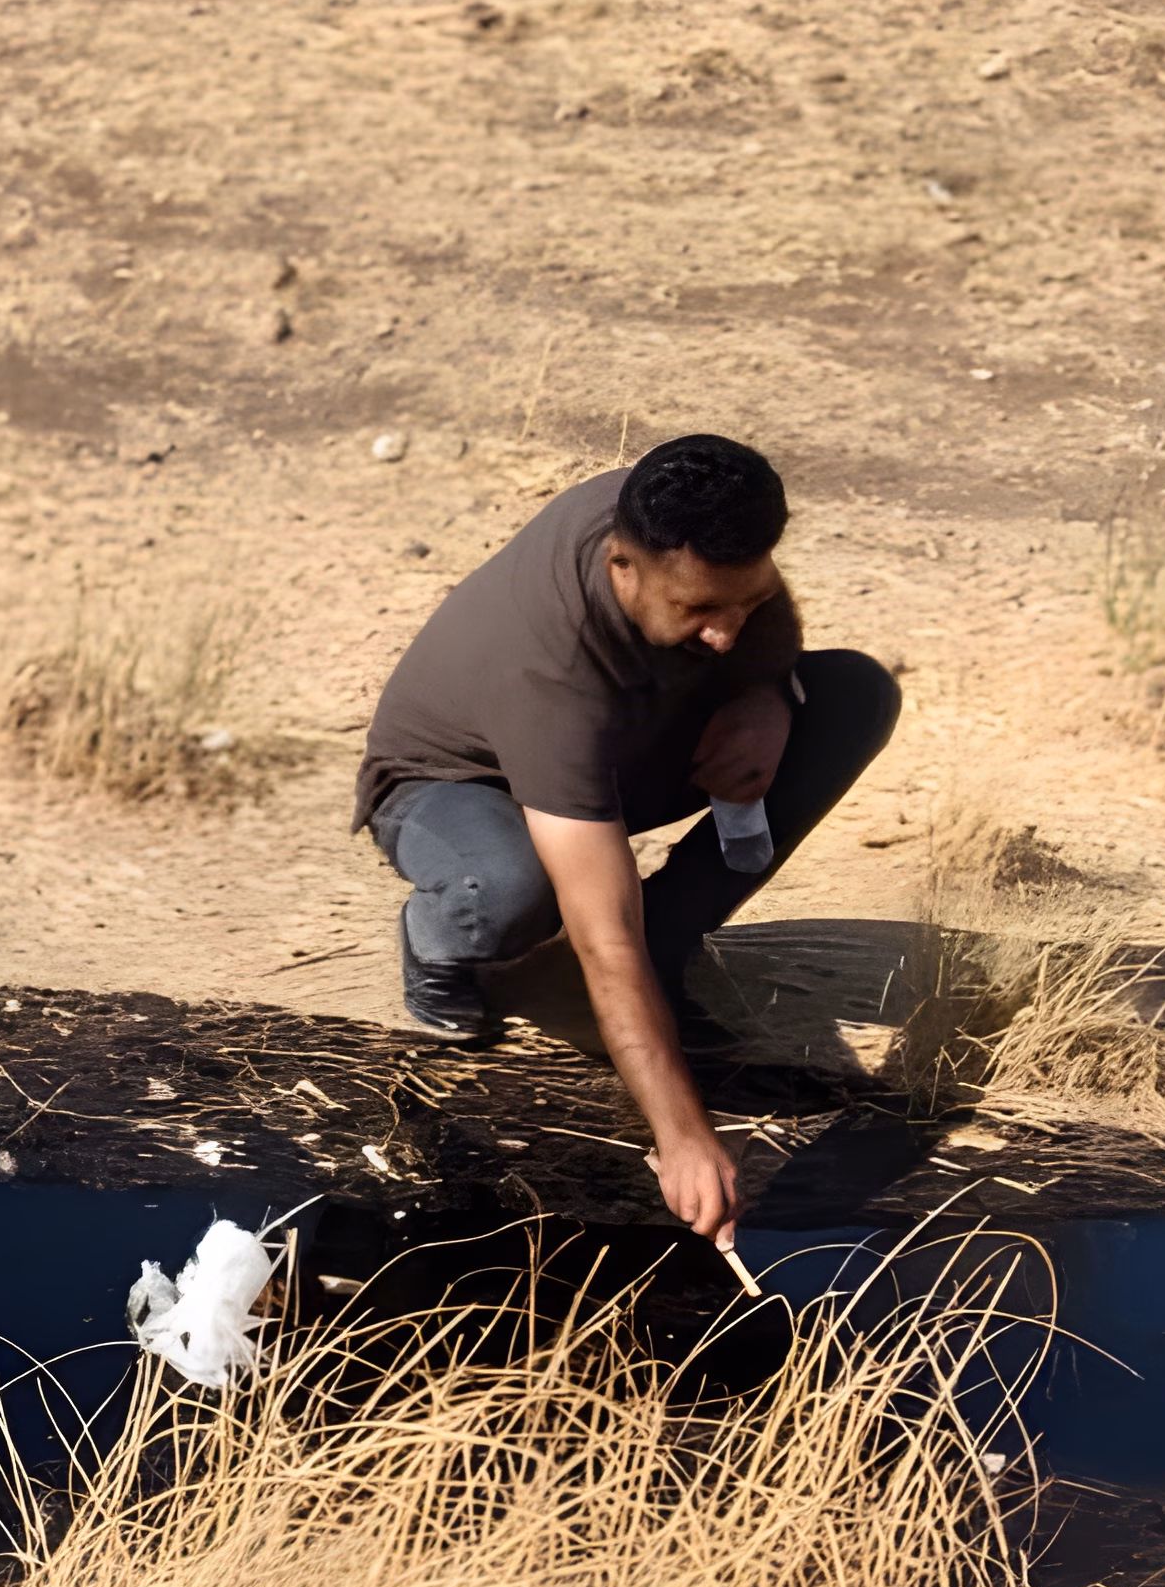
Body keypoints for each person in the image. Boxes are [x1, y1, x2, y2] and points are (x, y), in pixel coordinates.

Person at [353, 432, 901, 1249]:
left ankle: (673, 943)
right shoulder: (549, 669)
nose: (723, 632)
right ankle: (440, 946)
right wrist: (681, 1136)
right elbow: (604, 938)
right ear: (621, 568)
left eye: (739, 605)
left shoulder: (687, 527)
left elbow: (754, 612)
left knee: (852, 693)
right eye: (697, 612)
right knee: (514, 889)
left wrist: (768, 693)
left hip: (622, 745)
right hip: (459, 787)